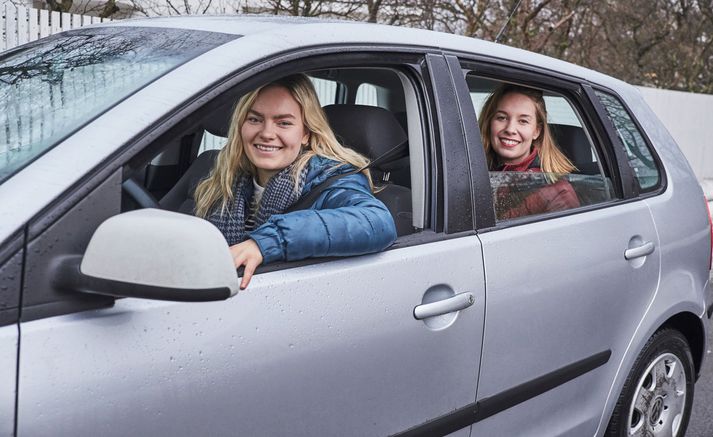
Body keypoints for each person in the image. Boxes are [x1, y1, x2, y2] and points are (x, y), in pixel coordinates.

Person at [194, 74, 397, 289]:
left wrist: (268, 242)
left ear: (305, 134)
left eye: (283, 123)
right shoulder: (222, 178)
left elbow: (377, 221)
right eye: (254, 119)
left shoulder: (330, 179)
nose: (267, 133)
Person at [478, 84, 580, 219]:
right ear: (489, 122)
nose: (510, 129)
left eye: (523, 121)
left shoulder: (558, 192)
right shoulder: (470, 171)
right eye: (502, 118)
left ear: (536, 131)